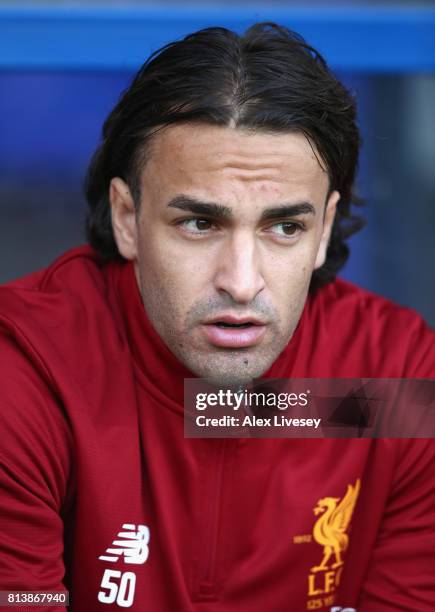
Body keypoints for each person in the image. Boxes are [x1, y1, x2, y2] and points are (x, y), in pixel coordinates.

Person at [0, 22, 434, 612]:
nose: (241, 281)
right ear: (127, 217)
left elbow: (223, 414)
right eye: (200, 223)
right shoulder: (26, 373)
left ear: (324, 229)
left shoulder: (397, 380)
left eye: (285, 227)